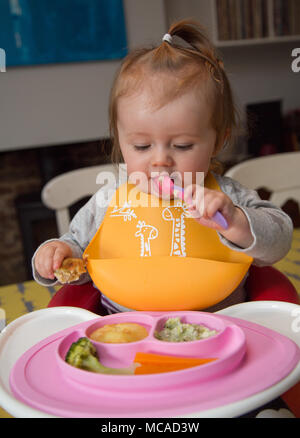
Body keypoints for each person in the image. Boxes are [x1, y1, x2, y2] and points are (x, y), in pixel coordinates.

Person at [32, 19, 293, 314]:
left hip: (220, 329)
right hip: (125, 331)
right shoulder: (109, 200)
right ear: (120, 140)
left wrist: (235, 222)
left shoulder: (226, 196)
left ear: (219, 140)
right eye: (141, 146)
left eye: (181, 146)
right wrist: (56, 254)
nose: (160, 161)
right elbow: (78, 252)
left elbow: (280, 240)